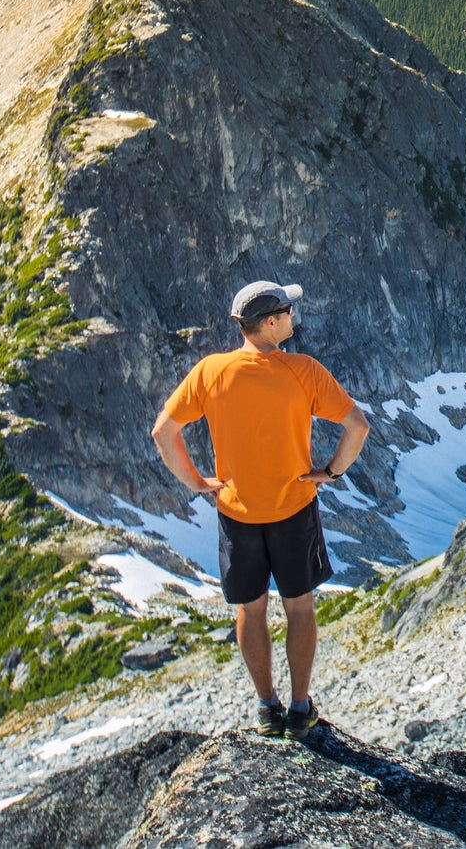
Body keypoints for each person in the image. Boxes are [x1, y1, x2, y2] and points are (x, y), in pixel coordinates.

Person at [150, 281, 370, 738]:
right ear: (271, 322)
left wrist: (196, 482)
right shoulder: (303, 370)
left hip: (236, 513)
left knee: (250, 612)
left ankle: (266, 708)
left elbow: (163, 432)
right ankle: (299, 708)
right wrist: (330, 471)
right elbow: (357, 426)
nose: (293, 315)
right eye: (288, 310)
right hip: (293, 509)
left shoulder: (211, 372)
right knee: (300, 609)